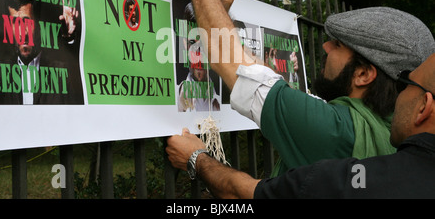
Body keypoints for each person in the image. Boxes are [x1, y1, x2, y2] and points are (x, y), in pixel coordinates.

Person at [173, 0, 435, 176]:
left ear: (364, 75)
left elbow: (234, 65)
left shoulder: (339, 130)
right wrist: (220, 13)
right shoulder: (395, 130)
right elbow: (260, 76)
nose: (325, 46)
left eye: (338, 45)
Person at [166, 53, 435, 198]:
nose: (326, 46)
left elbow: (240, 193)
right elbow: (271, 85)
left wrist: (195, 158)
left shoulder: (340, 155)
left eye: (339, 45)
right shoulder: (379, 126)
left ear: (424, 106)